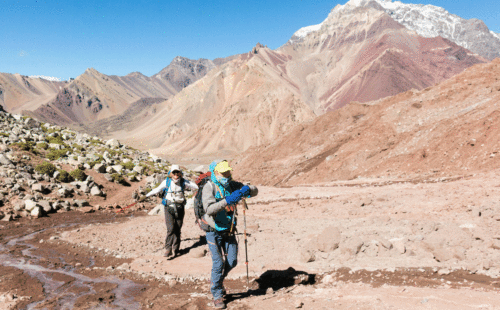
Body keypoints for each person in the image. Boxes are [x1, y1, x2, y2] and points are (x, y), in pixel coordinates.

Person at [201, 160, 258, 309]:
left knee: (232, 261)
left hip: (229, 229)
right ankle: (217, 294)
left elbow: (255, 190)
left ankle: (217, 280)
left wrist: (248, 189)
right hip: (213, 231)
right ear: (215, 173)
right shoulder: (209, 187)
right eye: (223, 173)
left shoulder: (232, 185)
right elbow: (209, 209)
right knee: (218, 263)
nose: (227, 175)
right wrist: (227, 201)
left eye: (228, 172)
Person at [141, 164, 198, 257]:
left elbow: (194, 186)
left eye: (177, 172)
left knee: (178, 229)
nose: (176, 174)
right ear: (171, 173)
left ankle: (176, 249)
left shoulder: (184, 182)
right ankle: (168, 249)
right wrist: (146, 196)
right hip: (169, 208)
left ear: (180, 173)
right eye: (174, 172)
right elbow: (157, 190)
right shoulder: (166, 182)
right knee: (170, 229)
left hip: (180, 207)